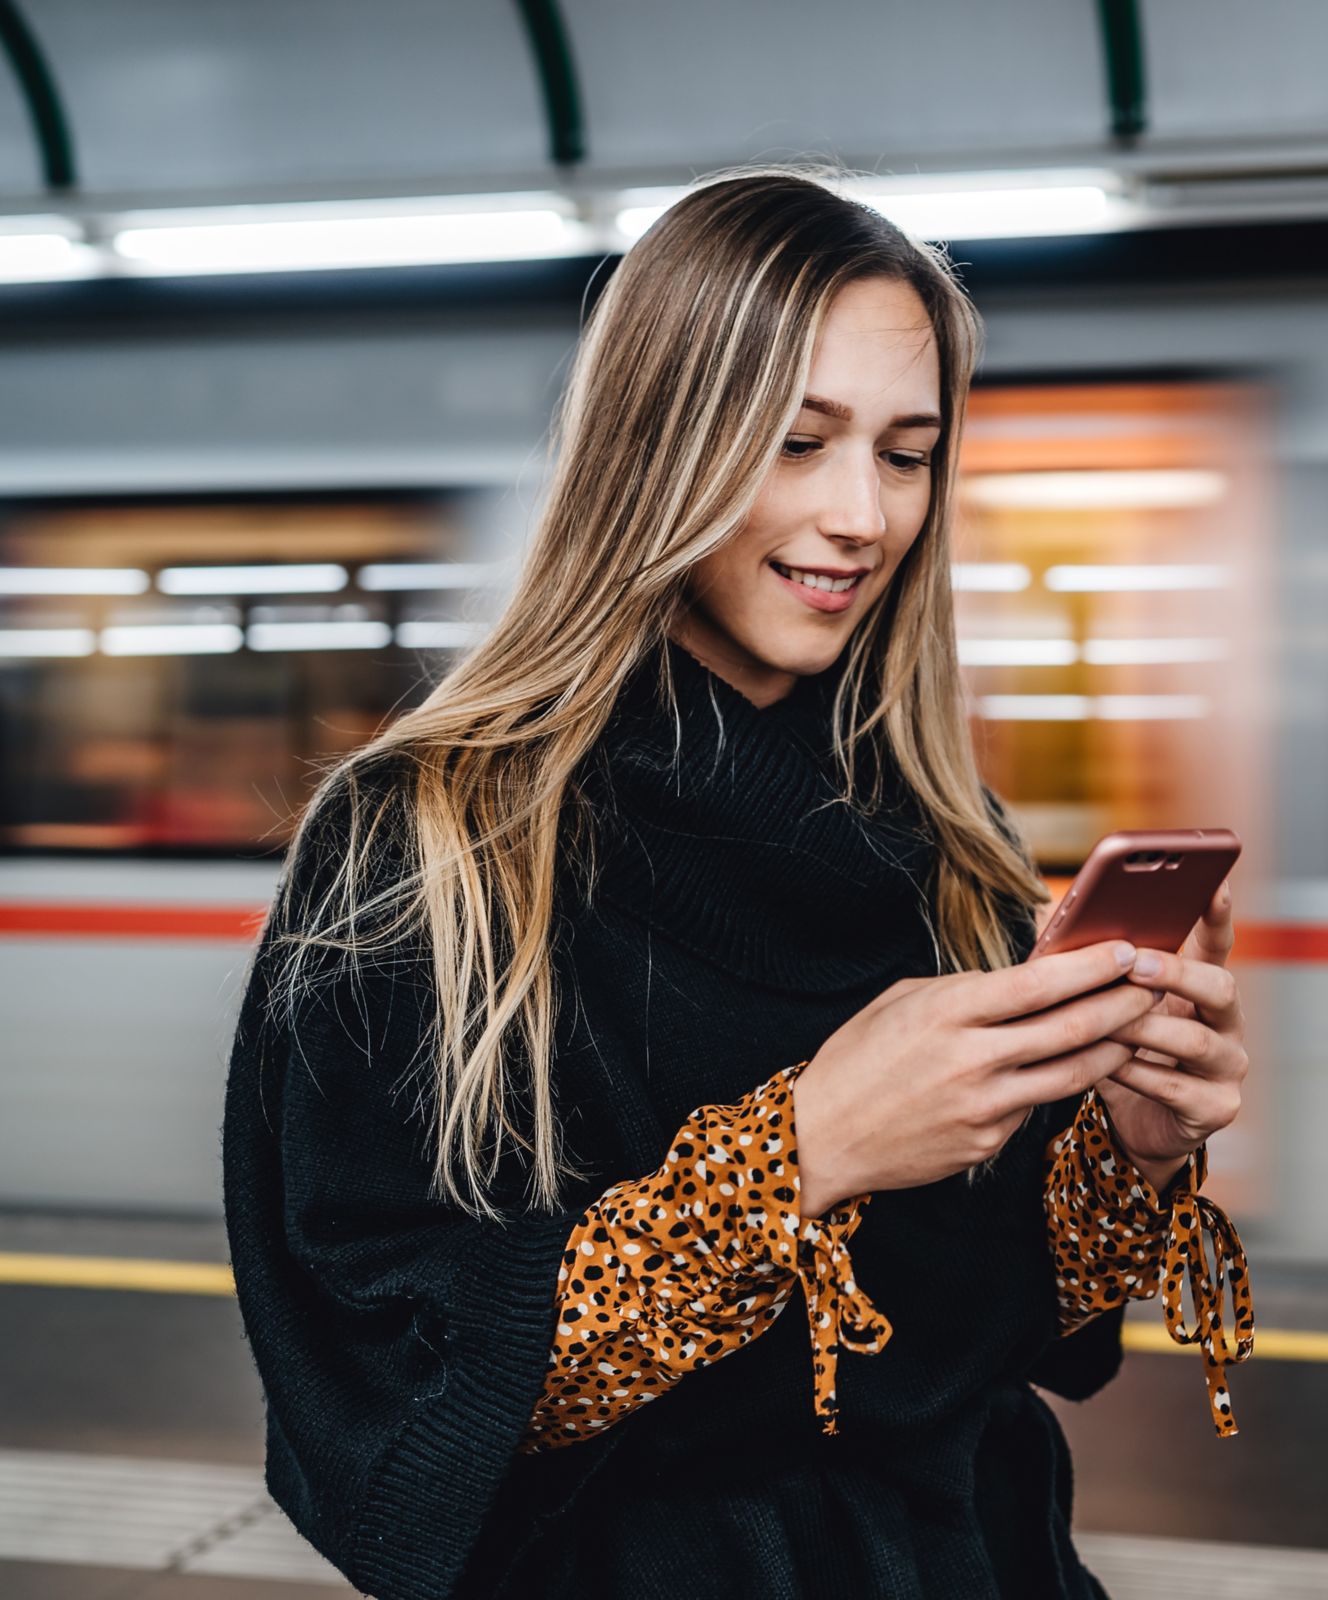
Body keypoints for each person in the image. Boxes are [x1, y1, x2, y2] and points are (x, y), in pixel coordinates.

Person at [220, 167, 1255, 1600]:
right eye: (797, 440)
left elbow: (997, 1332)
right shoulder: (429, 842)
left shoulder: (948, 838)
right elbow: (396, 1400)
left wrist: (1128, 1148)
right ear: (659, 444)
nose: (861, 518)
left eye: (906, 455)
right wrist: (804, 1150)